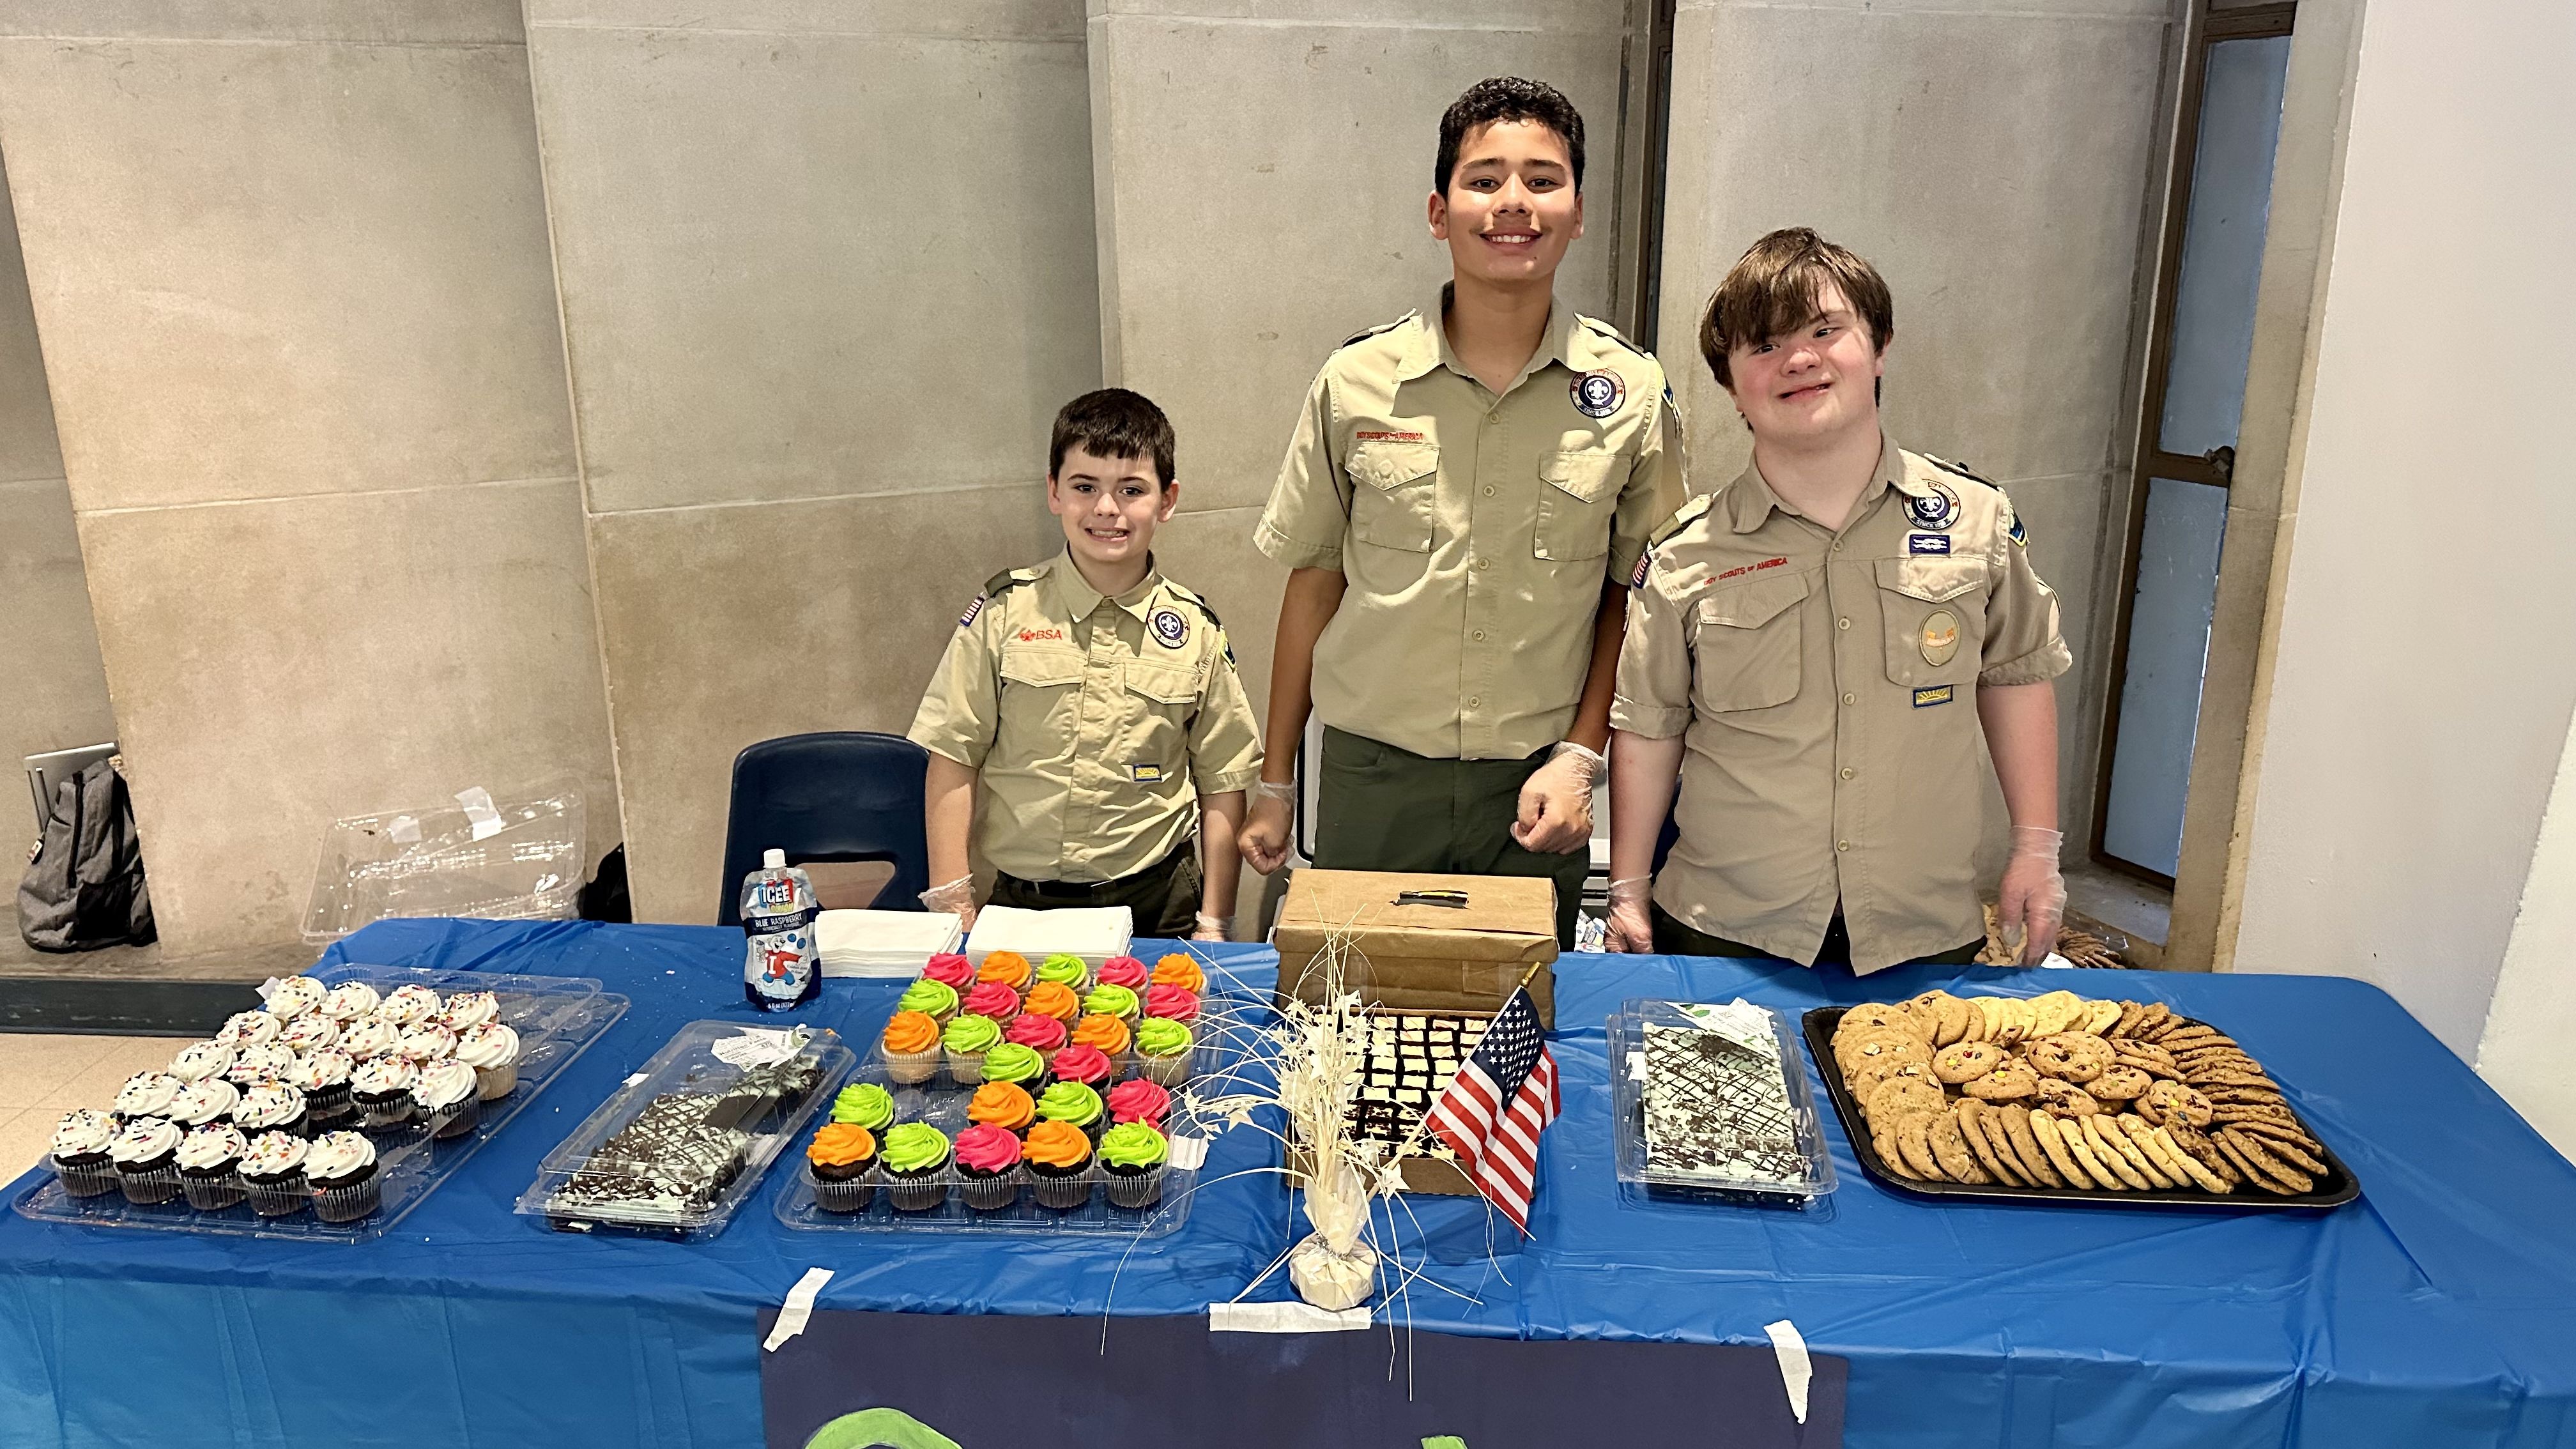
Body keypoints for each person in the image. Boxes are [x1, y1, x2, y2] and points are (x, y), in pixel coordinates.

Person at [1236, 76, 1687, 945]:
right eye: (1484, 179)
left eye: (1542, 179)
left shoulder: (1630, 392)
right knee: (1350, 1012)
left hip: (1533, 780)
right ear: (1440, 212)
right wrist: (1277, 776)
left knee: (1517, 1027)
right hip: (1372, 775)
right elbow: (1314, 580)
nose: (1513, 202)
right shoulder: (1357, 382)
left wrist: (1583, 756)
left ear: (1579, 211)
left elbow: (1631, 596)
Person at [1605, 227, 2070, 970]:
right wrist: (1627, 887)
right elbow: (1649, 727)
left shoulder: (1976, 523)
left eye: (1827, 330)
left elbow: (2016, 677)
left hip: (1922, 931)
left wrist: (2036, 852)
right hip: (1727, 931)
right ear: (1729, 384)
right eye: (1763, 345)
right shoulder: (1686, 553)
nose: (1799, 359)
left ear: (1880, 344)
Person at [908, 389, 1260, 941]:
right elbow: (953, 753)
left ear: (1167, 501)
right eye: (1084, 487)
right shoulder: (1004, 612)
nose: (1106, 509)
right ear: (1053, 491)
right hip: (1023, 906)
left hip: (1158, 907)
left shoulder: (1196, 632)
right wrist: (953, 903)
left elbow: (1223, 781)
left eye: (1131, 490)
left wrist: (1216, 921)